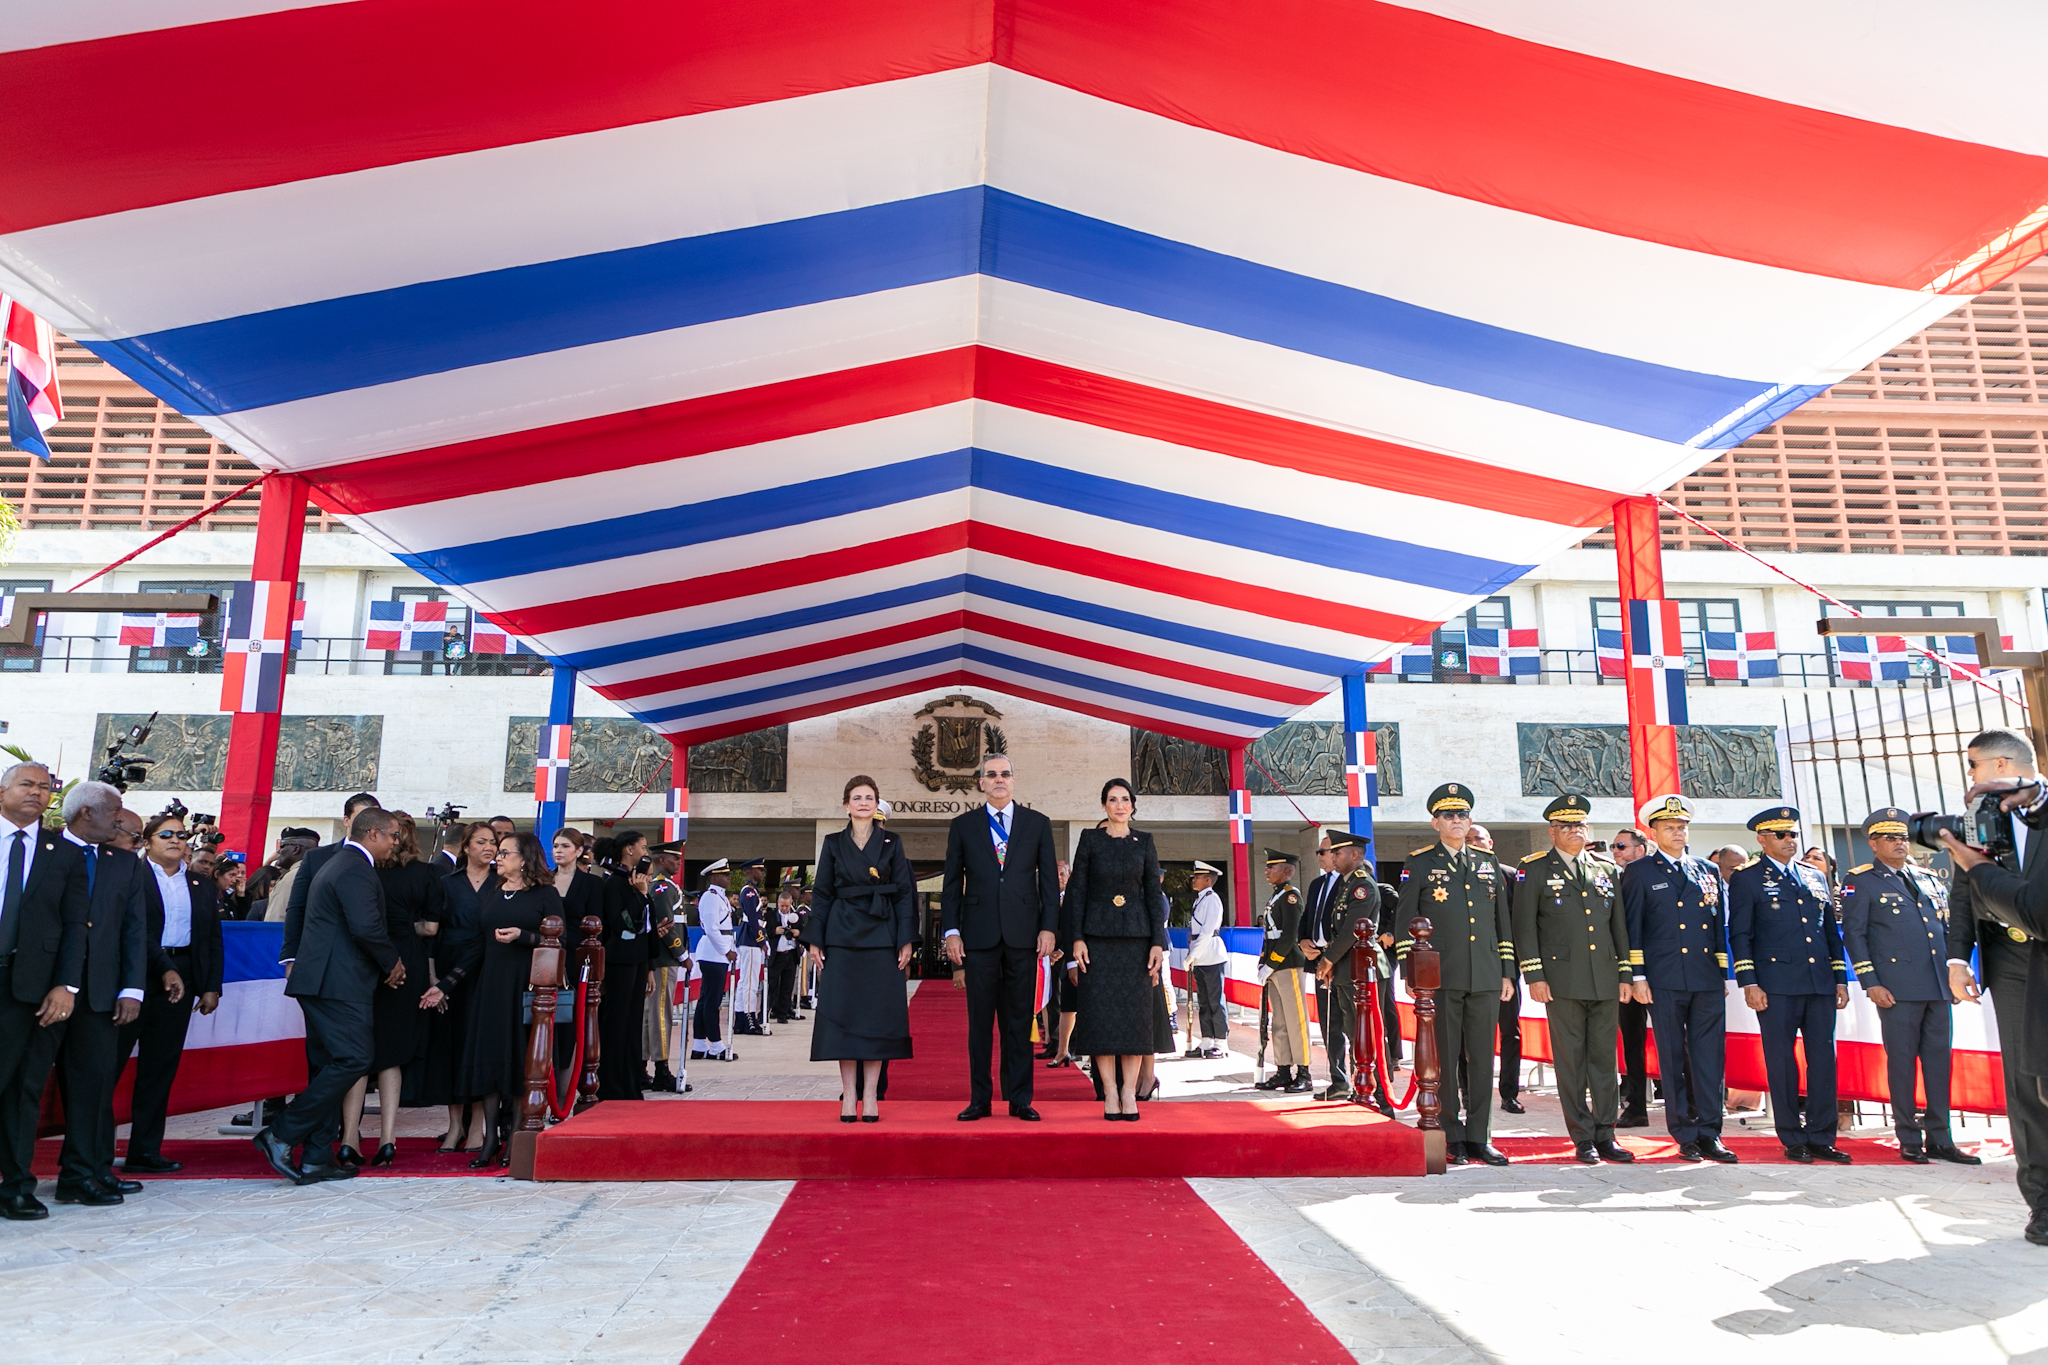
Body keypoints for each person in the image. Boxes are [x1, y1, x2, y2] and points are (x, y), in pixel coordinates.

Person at [1937, 728, 2048, 1245]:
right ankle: (2043, 1204)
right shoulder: (1976, 822)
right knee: (2026, 1083)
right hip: (2011, 962)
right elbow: (1964, 893)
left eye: (1974, 764)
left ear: (2002, 764)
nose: (1970, 774)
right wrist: (1958, 959)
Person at [256, 808, 403, 1185]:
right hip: (337, 982)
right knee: (355, 1058)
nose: (395, 843)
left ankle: (317, 1157)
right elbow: (366, 927)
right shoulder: (354, 867)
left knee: (327, 1067)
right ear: (373, 833)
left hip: (324, 980)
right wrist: (393, 962)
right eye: (392, 836)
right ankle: (281, 1133)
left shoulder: (342, 862)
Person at [1842, 807, 1979, 1167]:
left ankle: (1941, 1138)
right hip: (1897, 989)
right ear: (1874, 844)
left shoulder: (1927, 878)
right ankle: (1908, 1137)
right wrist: (1870, 982)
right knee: (1902, 1065)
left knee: (1939, 1065)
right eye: (1890, 838)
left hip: (1937, 986)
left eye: (1903, 837)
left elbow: (1945, 930)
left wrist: (1956, 975)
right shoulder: (1862, 881)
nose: (1899, 843)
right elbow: (1855, 936)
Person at [1511, 794, 1633, 1165]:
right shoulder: (1533, 869)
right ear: (1552, 832)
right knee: (1572, 1062)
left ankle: (1606, 1133)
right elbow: (1524, 927)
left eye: (1579, 824)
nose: (1574, 831)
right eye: (1566, 826)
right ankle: (1582, 1137)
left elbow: (1618, 927)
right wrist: (1534, 974)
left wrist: (1625, 973)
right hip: (1561, 980)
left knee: (1604, 1060)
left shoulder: (1605, 869)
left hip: (1604, 978)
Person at [1396, 783, 1513, 1164]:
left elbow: (1501, 922)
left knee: (1483, 1058)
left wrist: (1507, 972)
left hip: (1485, 972)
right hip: (1441, 975)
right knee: (1444, 1056)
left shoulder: (1487, 861)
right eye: (1449, 815)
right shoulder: (1419, 862)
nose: (1457, 821)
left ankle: (1480, 1135)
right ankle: (1450, 1132)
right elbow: (1405, 921)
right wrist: (1412, 972)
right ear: (1436, 823)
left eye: (1462, 814)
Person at [429, 831, 560, 1168]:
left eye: (504, 853)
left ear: (524, 859)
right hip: (490, 986)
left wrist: (523, 936)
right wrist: (446, 984)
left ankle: (515, 1137)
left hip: (525, 987)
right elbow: (477, 944)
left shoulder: (545, 893)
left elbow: (562, 939)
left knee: (519, 1061)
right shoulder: (493, 891)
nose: (497, 857)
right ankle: (489, 1139)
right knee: (490, 1058)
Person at [940, 753, 1059, 1121]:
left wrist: (1049, 927)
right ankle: (980, 1100)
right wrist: (952, 931)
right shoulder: (963, 826)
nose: (999, 779)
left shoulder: (1037, 824)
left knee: (1019, 1022)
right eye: (991, 774)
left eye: (1005, 773)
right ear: (981, 783)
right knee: (979, 1025)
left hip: (1024, 937)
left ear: (1013, 780)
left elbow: (1049, 884)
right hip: (978, 938)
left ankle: (1020, 1099)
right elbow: (951, 885)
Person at [1728, 806, 1850, 1164]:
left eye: (1793, 834)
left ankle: (1822, 1136)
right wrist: (1749, 981)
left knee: (1823, 1061)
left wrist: (1839, 978)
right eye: (1781, 835)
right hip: (1776, 984)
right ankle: (1792, 1136)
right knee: (1782, 1062)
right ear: (1762, 839)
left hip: (1819, 982)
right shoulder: (1748, 878)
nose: (1789, 840)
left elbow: (1829, 932)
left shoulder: (1813, 875)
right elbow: (1741, 934)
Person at [1622, 794, 1738, 1164]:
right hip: (1664, 978)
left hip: (1705, 977)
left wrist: (1721, 974)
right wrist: (1638, 976)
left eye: (1682, 827)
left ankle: (1711, 1133)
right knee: (1672, 1058)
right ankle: (1685, 1133)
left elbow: (1717, 927)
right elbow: (1632, 928)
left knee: (1709, 1058)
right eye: (1669, 827)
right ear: (1653, 833)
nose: (1678, 832)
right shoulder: (1640, 872)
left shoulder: (1706, 869)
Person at [0, 763, 88, 1220]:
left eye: (44, 786)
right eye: (26, 784)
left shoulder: (65, 853)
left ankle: (16, 1188)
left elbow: (76, 925)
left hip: (36, 990)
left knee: (24, 1089)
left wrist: (66, 985)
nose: (36, 792)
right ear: (2, 791)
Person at [53, 782, 147, 1206]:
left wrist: (131, 988)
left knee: (93, 1086)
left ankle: (85, 1172)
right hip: (42, 990)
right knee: (25, 1085)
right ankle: (16, 1178)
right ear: (86, 812)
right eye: (114, 810)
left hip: (100, 993)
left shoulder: (124, 863)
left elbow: (134, 930)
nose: (120, 818)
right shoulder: (46, 850)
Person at [117, 809, 225, 1175]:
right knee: (109, 1066)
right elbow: (134, 931)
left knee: (159, 1069)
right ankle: (94, 1152)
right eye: (166, 835)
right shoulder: (130, 874)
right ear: (146, 842)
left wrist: (210, 987)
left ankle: (145, 1152)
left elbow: (211, 940)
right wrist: (161, 967)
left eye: (181, 835)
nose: (176, 840)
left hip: (182, 982)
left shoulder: (201, 884)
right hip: (133, 977)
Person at [804, 776, 916, 1121]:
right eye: (857, 797)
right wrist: (815, 938)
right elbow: (822, 893)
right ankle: (848, 1093)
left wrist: (906, 939)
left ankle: (870, 1096)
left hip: (882, 937)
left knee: (877, 1017)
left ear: (876, 804)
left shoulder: (892, 842)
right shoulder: (832, 843)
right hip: (842, 937)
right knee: (844, 1015)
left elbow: (903, 893)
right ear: (846, 805)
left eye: (869, 797)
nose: (864, 803)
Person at [338, 812, 442, 1169]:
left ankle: (349, 1138)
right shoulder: (425, 874)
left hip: (364, 960)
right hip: (406, 961)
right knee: (392, 1054)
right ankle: (387, 1138)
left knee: (357, 1051)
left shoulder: (364, 870)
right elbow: (431, 928)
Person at [1063, 779, 1165, 1121]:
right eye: (1112, 799)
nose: (1119, 805)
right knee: (1101, 1018)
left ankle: (1129, 1092)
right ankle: (1109, 1091)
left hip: (1137, 941)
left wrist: (1157, 943)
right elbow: (1078, 891)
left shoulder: (1144, 841)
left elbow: (1153, 895)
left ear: (1132, 805)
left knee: (1135, 1020)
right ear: (1103, 805)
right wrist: (1076, 938)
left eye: (1125, 799)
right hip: (1097, 940)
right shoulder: (1090, 840)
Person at [413, 821, 495, 1151]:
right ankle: (454, 1125)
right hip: (448, 968)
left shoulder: (502, 882)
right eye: (481, 841)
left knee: (479, 1045)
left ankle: (477, 1125)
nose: (489, 847)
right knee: (450, 1046)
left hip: (487, 967)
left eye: (493, 842)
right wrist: (433, 977)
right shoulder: (446, 883)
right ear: (466, 846)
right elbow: (432, 936)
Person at [1314, 830, 1386, 1108]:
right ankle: (1362, 1090)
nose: (1332, 857)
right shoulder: (1346, 885)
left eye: (1337, 852)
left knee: (1368, 1035)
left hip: (1362, 969)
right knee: (1354, 1033)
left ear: (1354, 854)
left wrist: (1328, 959)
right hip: (1348, 970)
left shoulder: (1361, 886)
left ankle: (1382, 1099)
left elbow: (1351, 931)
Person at [1468, 822, 1523, 1115]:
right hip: (1470, 964)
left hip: (1505, 965)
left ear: (1490, 844)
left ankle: (1509, 1093)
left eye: (1479, 839)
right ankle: (1469, 1093)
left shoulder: (1510, 875)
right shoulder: (1456, 874)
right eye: (1469, 839)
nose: (1474, 843)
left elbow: (1519, 922)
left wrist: (1514, 967)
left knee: (1510, 1031)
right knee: (1469, 1035)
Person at [1254, 851, 1312, 1093]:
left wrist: (1272, 962)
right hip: (1275, 964)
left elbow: (1289, 934)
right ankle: (1283, 1070)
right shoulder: (1277, 895)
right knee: (1279, 1021)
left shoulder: (1290, 896)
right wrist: (1263, 962)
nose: (1267, 871)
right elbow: (1269, 934)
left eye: (1272, 867)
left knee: (1295, 1020)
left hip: (1288, 964)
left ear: (1287, 871)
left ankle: (1304, 1073)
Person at [1610, 826, 1653, 1127]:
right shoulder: (1613, 879)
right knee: (1632, 1041)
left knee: (1676, 1042)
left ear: (1640, 849)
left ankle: (1689, 1106)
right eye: (1614, 846)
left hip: (1657, 972)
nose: (1615, 851)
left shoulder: (1656, 874)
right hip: (1625, 972)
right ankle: (1636, 1106)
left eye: (1621, 846)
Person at [1299, 836, 1345, 1084]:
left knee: (1351, 1023)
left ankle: (1365, 1079)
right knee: (1329, 1023)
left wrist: (1332, 954)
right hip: (1318, 958)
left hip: (1341, 960)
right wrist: (1303, 941)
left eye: (1323, 851)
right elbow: (1307, 916)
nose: (1318, 856)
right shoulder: (1318, 883)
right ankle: (1339, 1078)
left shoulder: (1350, 882)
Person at [645, 851, 687, 1090]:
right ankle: (661, 1069)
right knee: (661, 1014)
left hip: (662, 959)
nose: (679, 862)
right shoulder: (663, 887)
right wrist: (681, 954)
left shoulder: (665, 885)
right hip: (664, 958)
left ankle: (642, 1067)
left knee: (650, 1015)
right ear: (661, 860)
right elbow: (666, 924)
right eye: (674, 859)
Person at [692, 860, 737, 1059]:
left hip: (717, 954)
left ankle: (699, 1044)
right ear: (714, 877)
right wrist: (726, 951)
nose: (728, 878)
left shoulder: (720, 897)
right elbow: (711, 929)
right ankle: (716, 1045)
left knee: (706, 1000)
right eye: (725, 875)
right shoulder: (710, 897)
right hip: (713, 954)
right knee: (712, 1001)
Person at [1184, 859, 1228, 1059]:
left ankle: (1221, 1042)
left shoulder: (1212, 899)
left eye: (1197, 877)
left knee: (1215, 1001)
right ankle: (1207, 1039)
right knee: (1203, 1001)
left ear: (1208, 880)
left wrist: (1193, 954)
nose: (1193, 880)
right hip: (1201, 956)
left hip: (1211, 954)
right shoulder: (1200, 899)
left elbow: (1208, 931)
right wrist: (1193, 954)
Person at [730, 860, 768, 1035]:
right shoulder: (749, 892)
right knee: (750, 982)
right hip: (751, 940)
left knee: (745, 981)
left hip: (749, 939)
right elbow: (753, 919)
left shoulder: (751, 891)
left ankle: (740, 1020)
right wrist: (761, 941)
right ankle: (749, 1019)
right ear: (751, 871)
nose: (763, 873)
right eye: (760, 870)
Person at [768, 883, 803, 1025]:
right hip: (777, 955)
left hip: (790, 954)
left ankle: (783, 1013)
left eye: (787, 906)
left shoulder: (796, 916)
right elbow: (764, 932)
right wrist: (774, 931)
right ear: (778, 904)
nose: (784, 908)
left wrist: (798, 933)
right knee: (771, 986)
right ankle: (766, 1011)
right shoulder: (770, 915)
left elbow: (803, 931)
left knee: (787, 987)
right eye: (782, 906)